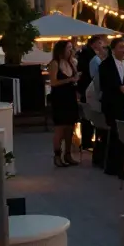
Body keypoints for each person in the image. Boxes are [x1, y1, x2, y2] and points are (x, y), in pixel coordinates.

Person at [98, 36, 124, 180]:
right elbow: (104, 86)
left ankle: (122, 167)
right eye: (120, 47)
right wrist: (119, 89)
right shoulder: (105, 65)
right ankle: (113, 167)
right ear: (113, 49)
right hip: (111, 105)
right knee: (115, 136)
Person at [47, 40, 81, 168]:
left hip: (70, 97)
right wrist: (70, 79)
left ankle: (68, 154)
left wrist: (76, 78)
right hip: (59, 98)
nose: (70, 51)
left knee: (70, 128)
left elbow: (75, 77)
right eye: (68, 48)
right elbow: (54, 82)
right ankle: (57, 155)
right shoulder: (54, 64)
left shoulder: (71, 63)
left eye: (71, 48)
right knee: (60, 129)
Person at [77, 34, 107, 155]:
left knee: (88, 117)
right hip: (91, 92)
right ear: (94, 43)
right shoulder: (93, 58)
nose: (102, 46)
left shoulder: (88, 55)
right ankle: (89, 142)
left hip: (87, 91)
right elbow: (95, 77)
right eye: (100, 43)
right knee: (90, 118)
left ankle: (88, 142)